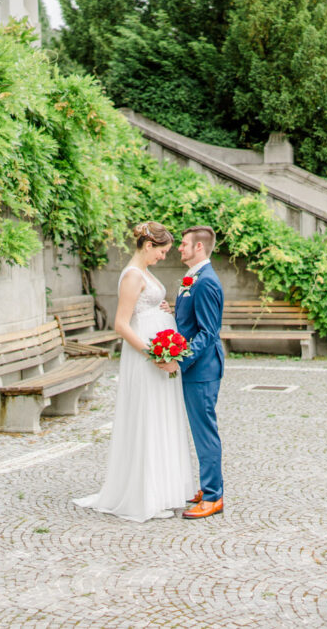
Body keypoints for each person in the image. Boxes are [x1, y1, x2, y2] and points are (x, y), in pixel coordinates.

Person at [73, 222, 195, 522]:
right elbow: (121, 324)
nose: (164, 257)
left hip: (158, 354)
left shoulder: (145, 274)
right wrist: (152, 353)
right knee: (147, 417)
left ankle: (164, 489)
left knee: (162, 416)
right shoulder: (131, 275)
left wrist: (165, 310)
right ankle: (145, 495)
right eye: (162, 251)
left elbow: (147, 306)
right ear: (148, 245)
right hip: (145, 357)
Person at [165, 226, 225, 519]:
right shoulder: (194, 279)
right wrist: (172, 310)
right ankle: (207, 487)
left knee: (205, 432)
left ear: (199, 248)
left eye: (184, 244)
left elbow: (208, 333)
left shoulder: (206, 282)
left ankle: (214, 497)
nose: (179, 248)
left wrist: (180, 360)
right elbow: (191, 319)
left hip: (202, 370)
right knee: (199, 429)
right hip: (196, 369)